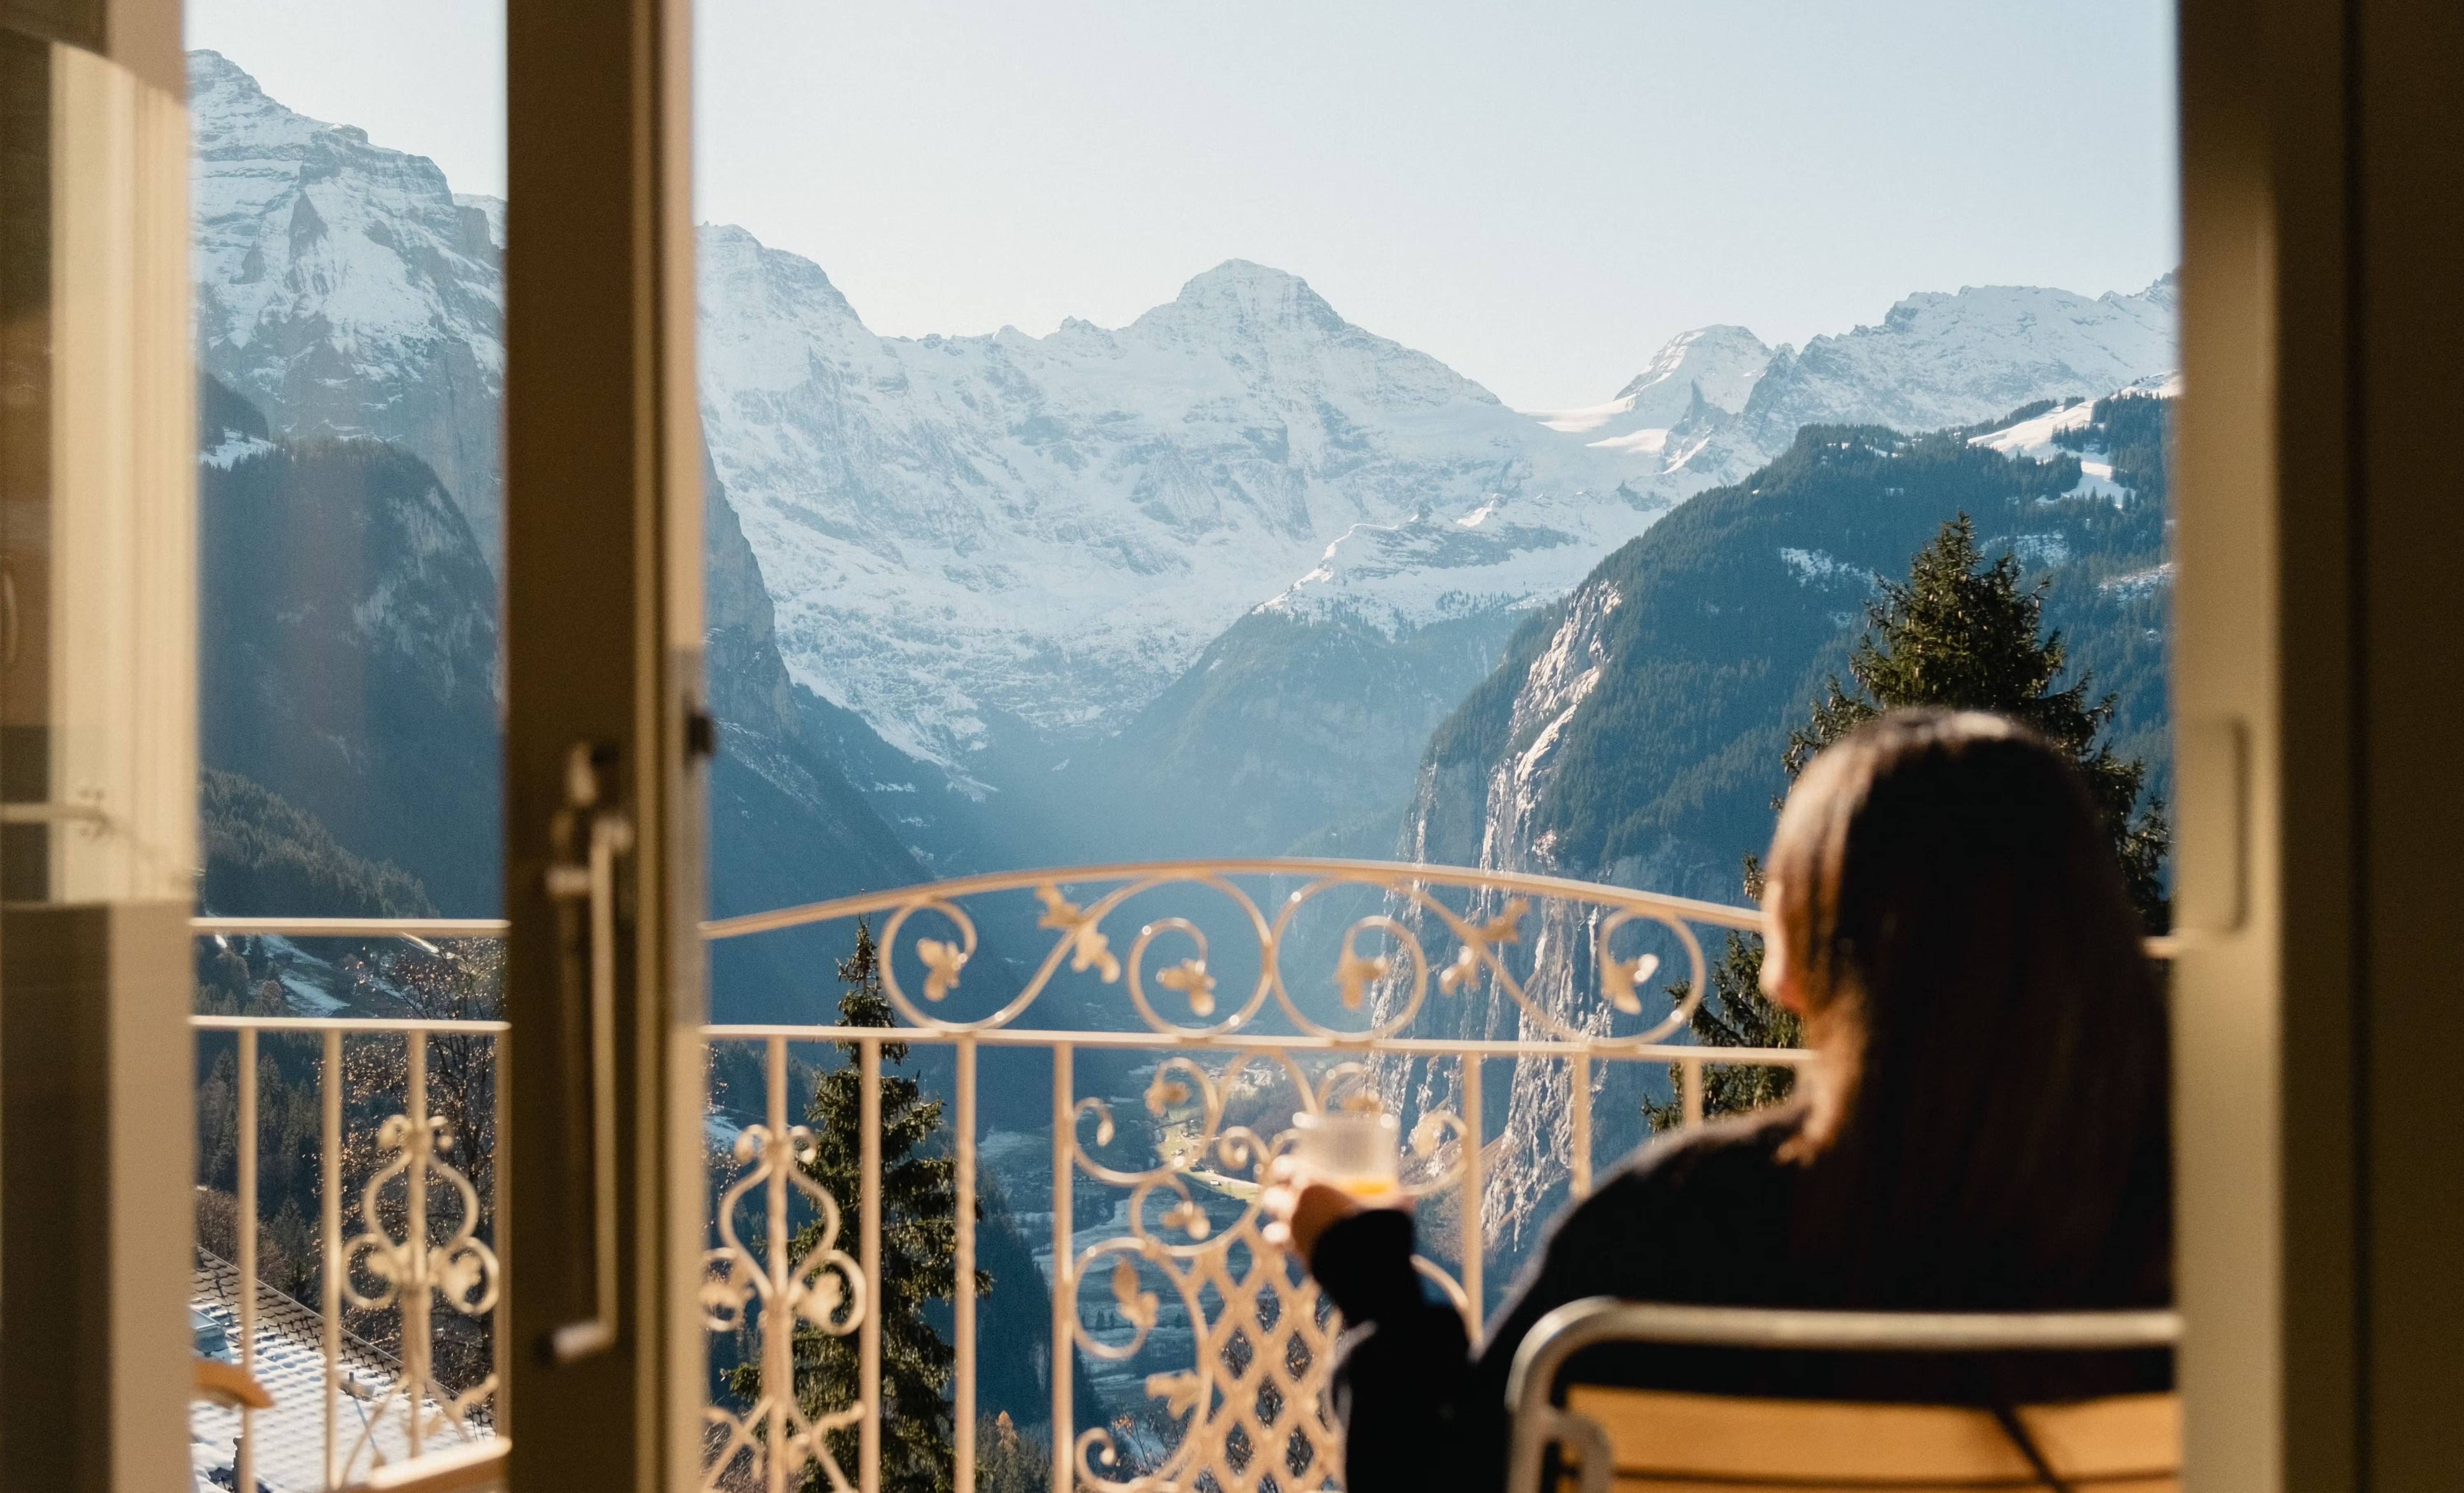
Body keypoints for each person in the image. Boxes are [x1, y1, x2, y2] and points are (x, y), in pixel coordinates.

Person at [1262, 710, 2172, 1493]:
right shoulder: (2189, 1244)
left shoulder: (1682, 1229)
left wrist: (1375, 1288)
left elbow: (1449, 1478)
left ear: (1795, 962)